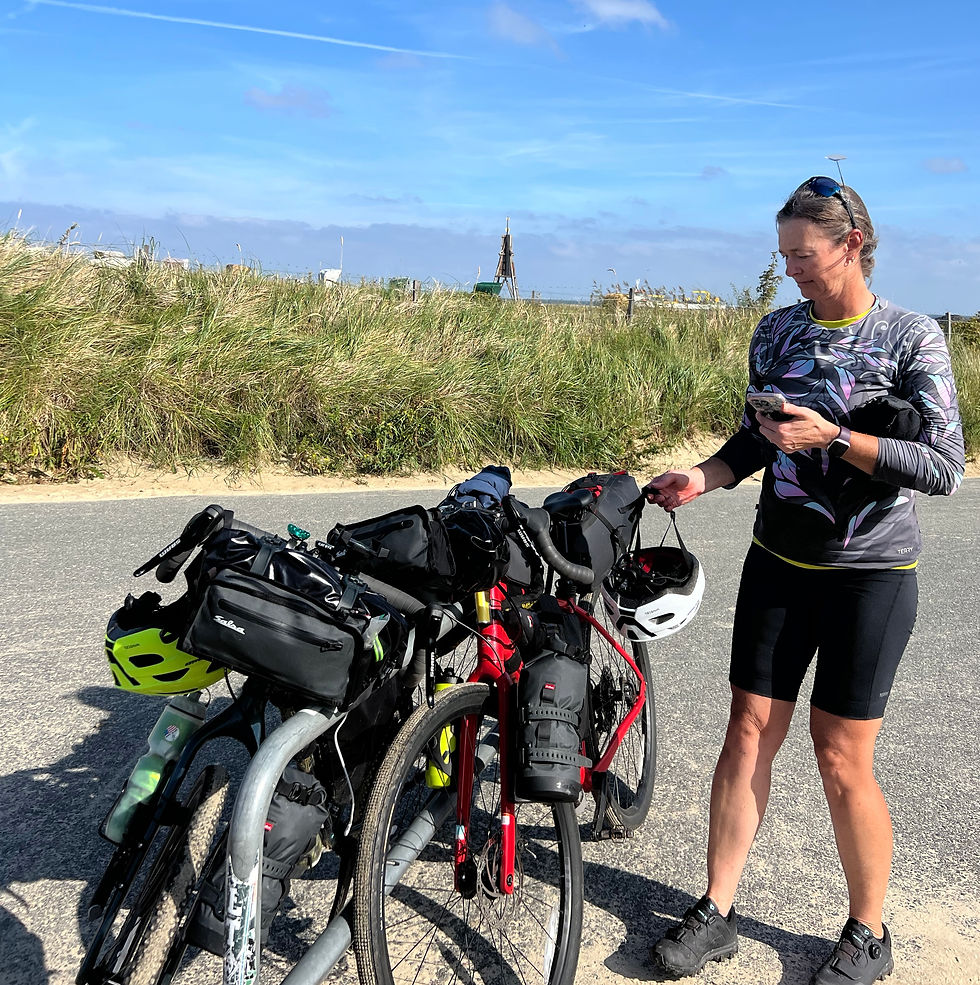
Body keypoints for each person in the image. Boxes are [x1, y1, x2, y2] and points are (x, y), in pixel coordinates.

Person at [644, 175, 965, 984]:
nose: (789, 268)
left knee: (839, 755)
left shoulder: (911, 337)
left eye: (803, 254)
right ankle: (717, 910)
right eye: (782, 253)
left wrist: (836, 437)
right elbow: (757, 438)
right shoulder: (777, 330)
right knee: (747, 728)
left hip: (872, 574)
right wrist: (702, 477)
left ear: (852, 243)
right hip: (778, 561)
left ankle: (869, 931)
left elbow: (944, 466)